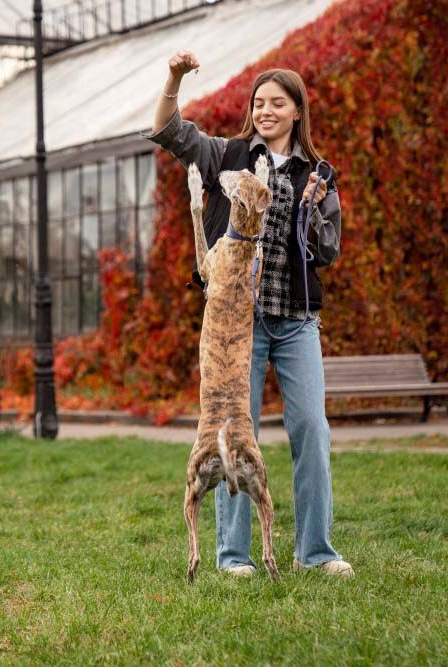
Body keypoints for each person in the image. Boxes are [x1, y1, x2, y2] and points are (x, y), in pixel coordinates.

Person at [143, 51, 353, 577]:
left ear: (297, 111)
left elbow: (328, 251)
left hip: (297, 320)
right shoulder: (228, 156)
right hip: (238, 323)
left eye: (276, 103)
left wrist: (310, 210)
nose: (265, 110)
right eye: (258, 103)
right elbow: (167, 130)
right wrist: (174, 77)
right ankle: (234, 557)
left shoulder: (319, 174)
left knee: (311, 427)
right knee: (234, 430)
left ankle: (317, 553)